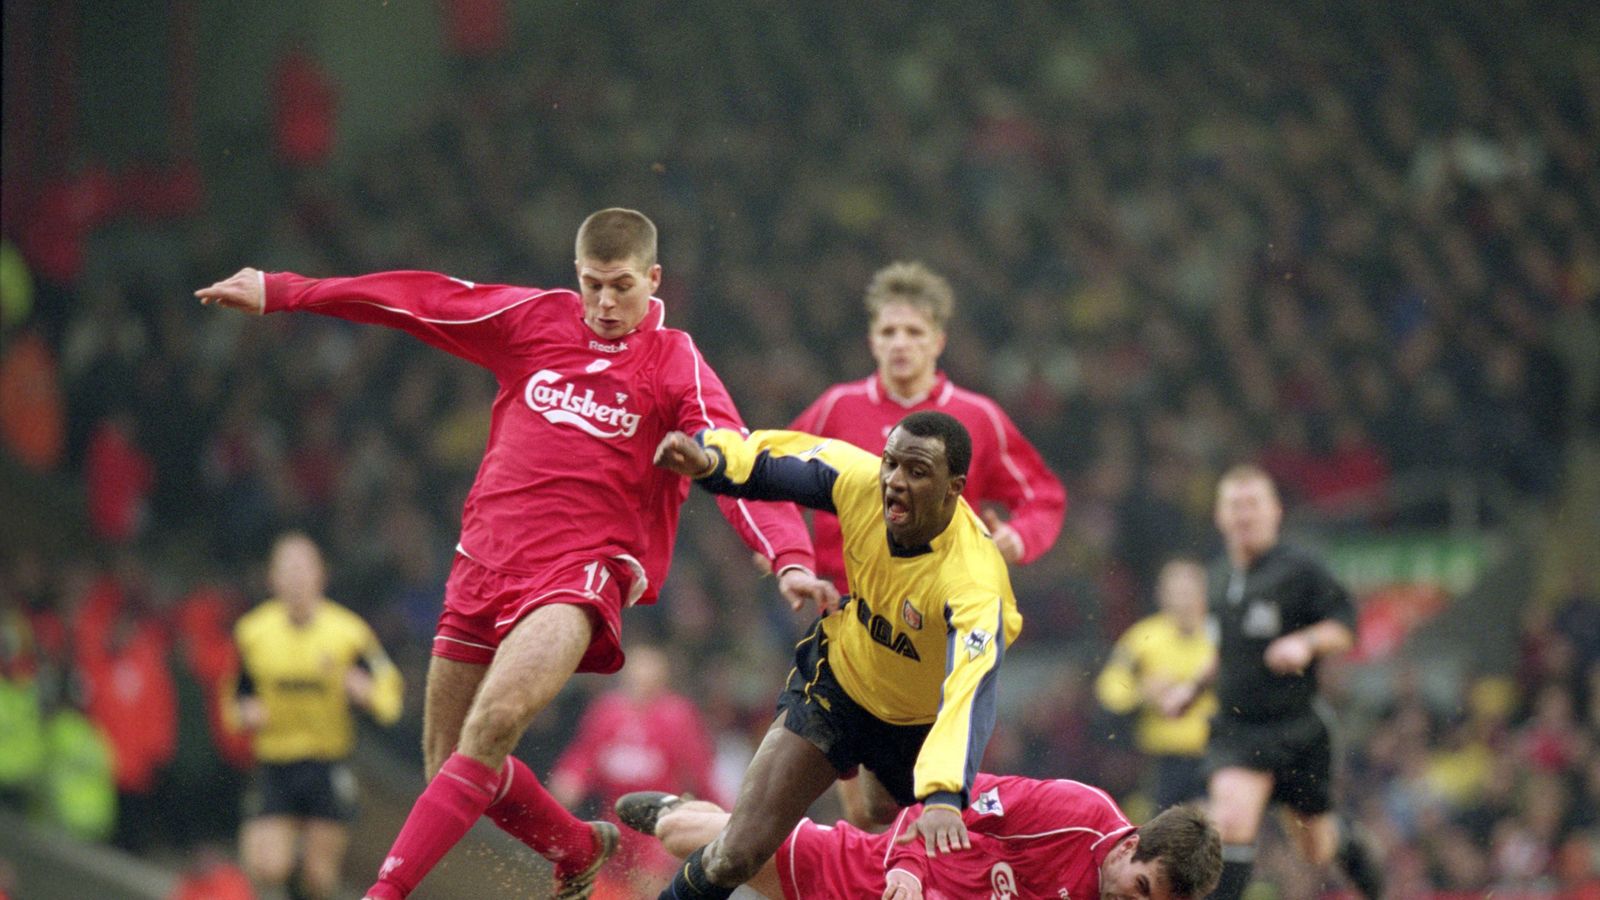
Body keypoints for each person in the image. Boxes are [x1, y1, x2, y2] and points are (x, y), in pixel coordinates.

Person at [195, 208, 832, 900]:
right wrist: (286, 290)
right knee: (451, 762)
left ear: (653, 278)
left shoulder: (674, 360)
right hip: (484, 563)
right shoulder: (537, 320)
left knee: (492, 726)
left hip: (581, 575)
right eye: (592, 285)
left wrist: (787, 551)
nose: (606, 303)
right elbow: (424, 300)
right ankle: (579, 845)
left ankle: (382, 893)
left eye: (621, 286)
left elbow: (735, 456)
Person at [651, 410, 1021, 899]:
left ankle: (682, 815)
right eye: (891, 463)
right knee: (736, 855)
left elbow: (968, 692)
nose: (894, 482)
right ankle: (694, 824)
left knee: (875, 818)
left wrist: (945, 796)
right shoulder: (861, 480)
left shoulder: (973, 581)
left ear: (954, 487)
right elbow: (775, 458)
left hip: (915, 727)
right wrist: (709, 460)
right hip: (837, 688)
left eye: (917, 472)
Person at [788, 262, 1067, 828]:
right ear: (872, 339)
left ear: (938, 339)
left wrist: (1018, 537)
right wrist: (788, 553)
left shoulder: (977, 418)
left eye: (914, 332)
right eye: (889, 332)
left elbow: (1044, 495)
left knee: (901, 798)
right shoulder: (837, 408)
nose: (900, 344)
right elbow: (772, 478)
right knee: (857, 797)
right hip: (848, 611)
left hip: (937, 627)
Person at [1160, 465, 1383, 899]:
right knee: (1231, 822)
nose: (1244, 515)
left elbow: (1346, 625)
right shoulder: (1220, 575)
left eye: (1253, 504)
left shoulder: (1302, 568)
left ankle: (1360, 859)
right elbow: (1226, 649)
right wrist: (1192, 688)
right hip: (1239, 729)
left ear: (1275, 511)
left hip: (1297, 729)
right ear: (1220, 515)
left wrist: (1305, 642)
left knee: (1317, 848)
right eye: (1235, 505)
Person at [614, 772, 1221, 900]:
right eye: (1140, 889)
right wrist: (906, 864)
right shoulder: (1073, 811)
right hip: (877, 878)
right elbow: (943, 797)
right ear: (1128, 845)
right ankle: (677, 809)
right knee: (702, 843)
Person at [230, 532, 405, 900]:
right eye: (286, 568)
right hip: (275, 761)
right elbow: (233, 694)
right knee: (266, 865)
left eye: (303, 567)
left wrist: (368, 694)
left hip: (327, 764)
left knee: (318, 877)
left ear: (321, 575)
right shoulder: (253, 633)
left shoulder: (349, 633)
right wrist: (244, 712)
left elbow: (391, 691)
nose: (295, 577)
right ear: (272, 578)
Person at [549, 643, 721, 898]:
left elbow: (700, 770)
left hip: (659, 825)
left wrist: (724, 816)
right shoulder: (607, 711)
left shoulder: (677, 715)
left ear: (662, 678)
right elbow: (585, 755)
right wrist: (570, 779)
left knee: (647, 882)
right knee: (599, 884)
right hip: (614, 820)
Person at [1094, 557, 1216, 810]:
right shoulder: (1143, 639)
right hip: (1162, 760)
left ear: (1204, 592)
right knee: (1165, 831)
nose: (1182, 599)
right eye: (1175, 591)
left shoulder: (1219, 635)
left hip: (1217, 755)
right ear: (1161, 594)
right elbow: (1109, 688)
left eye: (1188, 590)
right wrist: (1141, 692)